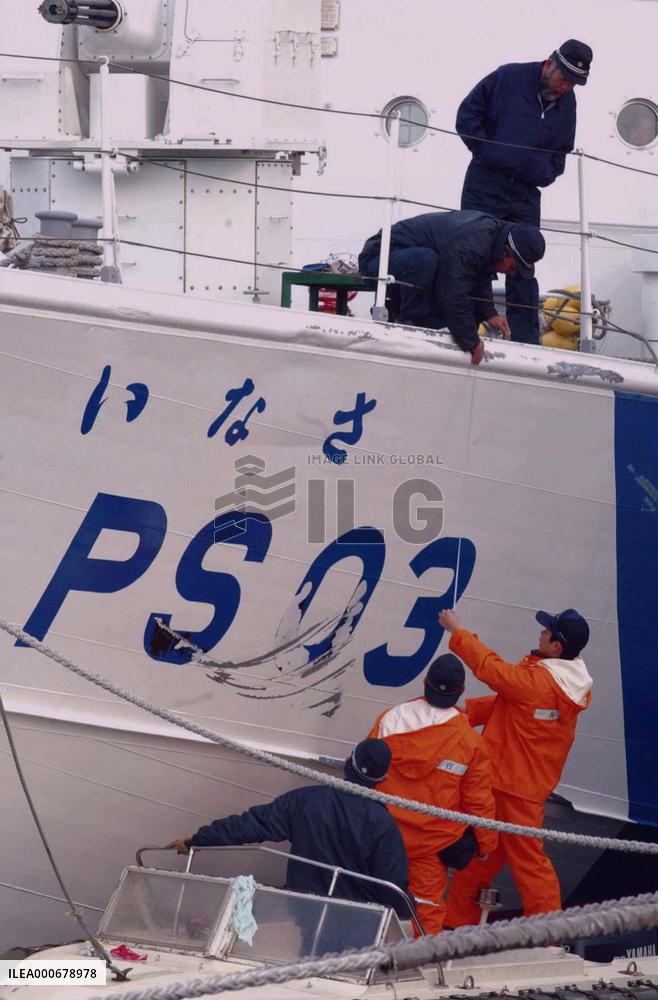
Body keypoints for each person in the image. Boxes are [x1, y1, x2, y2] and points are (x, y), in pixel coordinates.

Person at [437, 607, 592, 926]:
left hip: (510, 788)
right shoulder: (565, 684)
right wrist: (467, 711)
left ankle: (546, 936)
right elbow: (513, 704)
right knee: (486, 857)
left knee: (526, 864)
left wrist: (457, 631)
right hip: (518, 787)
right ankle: (457, 925)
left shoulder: (538, 680)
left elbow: (493, 671)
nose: (540, 634)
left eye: (547, 631)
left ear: (556, 646)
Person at [168, 739, 411, 921]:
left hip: (301, 911)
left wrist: (198, 839)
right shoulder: (384, 824)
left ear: (348, 763)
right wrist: (408, 914)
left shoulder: (306, 801)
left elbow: (251, 825)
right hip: (353, 923)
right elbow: (392, 886)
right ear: (383, 777)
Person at [456, 39, 593, 345]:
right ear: (549, 65)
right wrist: (488, 154)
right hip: (485, 183)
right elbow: (467, 115)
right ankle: (467, 332)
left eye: (574, 83)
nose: (566, 87)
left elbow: (562, 150)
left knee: (524, 262)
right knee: (473, 254)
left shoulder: (568, 102)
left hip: (526, 192)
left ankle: (526, 342)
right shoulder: (508, 77)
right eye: (564, 78)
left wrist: (545, 173)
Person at [367, 654, 498, 935]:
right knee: (425, 912)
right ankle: (418, 968)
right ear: (461, 692)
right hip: (431, 846)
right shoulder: (470, 742)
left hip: (381, 835)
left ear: (425, 683)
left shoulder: (391, 719)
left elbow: (364, 771)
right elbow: (478, 799)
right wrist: (486, 844)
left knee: (369, 897)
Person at [358, 210, 545, 365]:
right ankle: (409, 326)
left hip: (408, 270)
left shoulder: (488, 239)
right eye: (512, 267)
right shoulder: (473, 242)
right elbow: (453, 293)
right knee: (426, 261)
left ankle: (404, 316)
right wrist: (471, 342)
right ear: (505, 252)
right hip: (378, 262)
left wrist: (489, 314)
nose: (511, 274)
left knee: (464, 308)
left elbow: (478, 273)